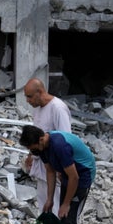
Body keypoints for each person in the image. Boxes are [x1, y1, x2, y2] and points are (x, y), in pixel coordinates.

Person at [19, 125, 96, 224]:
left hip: (82, 175)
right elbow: (50, 171)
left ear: (41, 139)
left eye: (33, 147)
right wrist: (50, 199)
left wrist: (66, 203)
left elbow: (74, 177)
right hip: (67, 174)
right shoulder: (41, 147)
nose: (32, 151)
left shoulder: (59, 146)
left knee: (69, 218)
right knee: (61, 216)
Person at [23, 78, 72, 216]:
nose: (28, 100)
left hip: (55, 168)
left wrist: (62, 170)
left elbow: (66, 140)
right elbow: (35, 136)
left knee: (56, 207)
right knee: (44, 207)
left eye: (30, 96)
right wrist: (31, 156)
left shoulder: (58, 108)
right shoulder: (38, 109)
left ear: (40, 92)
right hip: (43, 165)